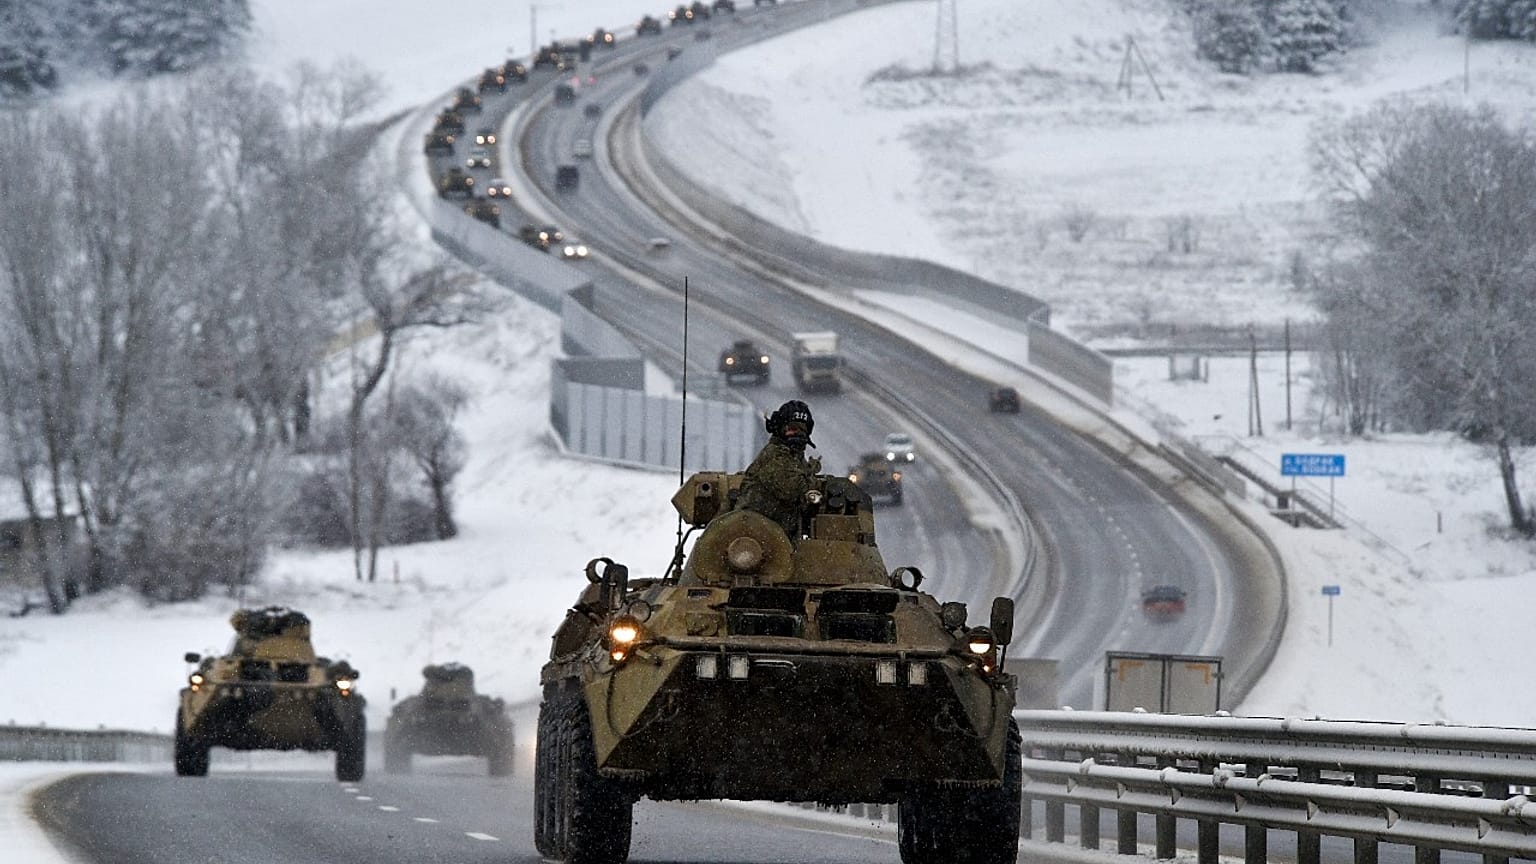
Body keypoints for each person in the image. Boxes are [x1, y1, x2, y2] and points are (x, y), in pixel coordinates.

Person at [734, 400, 822, 540]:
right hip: (753, 535)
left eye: (802, 430)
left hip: (775, 535)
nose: (796, 434)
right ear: (780, 429)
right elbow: (794, 491)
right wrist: (811, 478)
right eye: (791, 428)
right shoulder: (776, 456)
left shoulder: (794, 457)